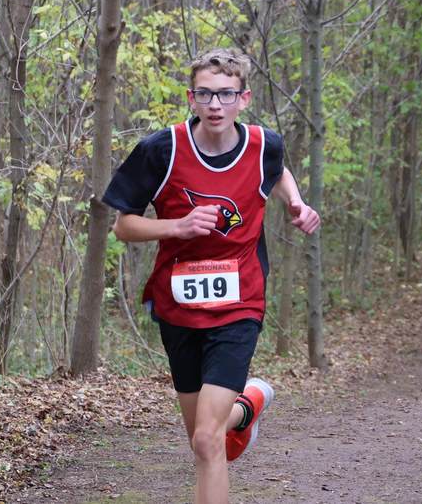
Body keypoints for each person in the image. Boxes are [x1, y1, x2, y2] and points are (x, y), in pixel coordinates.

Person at [102, 48, 320, 504]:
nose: (216, 105)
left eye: (226, 95)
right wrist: (176, 226)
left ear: (244, 98)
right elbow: (123, 225)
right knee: (210, 440)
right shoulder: (160, 151)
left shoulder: (265, 145)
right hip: (178, 307)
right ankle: (248, 406)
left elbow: (276, 171)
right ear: (191, 97)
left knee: (206, 440)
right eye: (206, 94)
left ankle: (238, 410)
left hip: (239, 304)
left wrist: (295, 203)